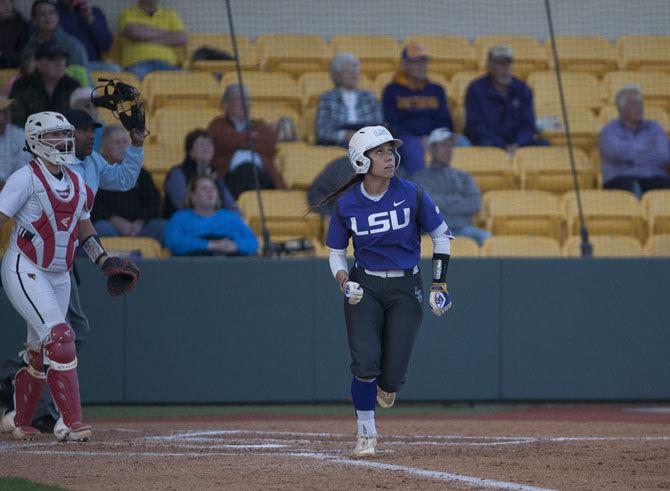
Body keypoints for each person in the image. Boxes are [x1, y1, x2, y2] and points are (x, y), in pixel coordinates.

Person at [0, 108, 146, 434]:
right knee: (61, 337)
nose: (64, 140)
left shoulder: (77, 179)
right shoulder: (24, 177)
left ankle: (21, 421)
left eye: (66, 134)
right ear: (37, 141)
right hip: (25, 265)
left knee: (40, 349)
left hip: (60, 272)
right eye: (56, 135)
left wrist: (103, 260)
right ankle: (70, 422)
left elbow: (84, 228)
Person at [318, 126, 453, 457]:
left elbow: (441, 235)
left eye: (390, 151)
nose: (388, 157)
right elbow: (335, 251)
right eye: (379, 152)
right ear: (361, 160)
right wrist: (342, 280)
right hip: (364, 286)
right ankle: (366, 432)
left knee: (391, 377)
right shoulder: (346, 204)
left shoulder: (412, 193)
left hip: (406, 285)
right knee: (364, 363)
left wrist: (439, 283)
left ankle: (388, 388)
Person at [382, 42, 459, 174]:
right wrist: (419, 137)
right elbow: (392, 123)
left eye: (424, 62)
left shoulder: (436, 89)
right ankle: (421, 187)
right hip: (407, 138)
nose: (422, 66)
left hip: (434, 135)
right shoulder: (391, 90)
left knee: (462, 142)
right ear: (404, 65)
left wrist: (432, 137)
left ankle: (453, 185)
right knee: (413, 145)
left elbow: (445, 120)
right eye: (416, 62)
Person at [411, 128, 490, 246]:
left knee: (487, 239)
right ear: (431, 148)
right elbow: (425, 204)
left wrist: (440, 203)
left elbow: (474, 204)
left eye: (451, 146)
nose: (448, 150)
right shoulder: (419, 178)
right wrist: (457, 199)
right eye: (443, 145)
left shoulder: (464, 177)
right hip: (433, 232)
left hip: (463, 230)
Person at [207, 84, 287, 199]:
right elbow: (222, 141)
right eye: (241, 99)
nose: (246, 103)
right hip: (229, 179)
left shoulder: (260, 125)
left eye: (248, 99)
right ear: (226, 105)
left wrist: (237, 140)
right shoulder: (217, 125)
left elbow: (268, 143)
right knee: (246, 170)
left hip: (263, 178)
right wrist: (249, 137)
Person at [465, 45, 548, 153]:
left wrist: (517, 143)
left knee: (544, 145)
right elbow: (476, 126)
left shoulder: (523, 89)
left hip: (517, 143)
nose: (506, 68)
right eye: (500, 63)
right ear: (490, 66)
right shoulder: (476, 89)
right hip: (490, 142)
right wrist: (502, 145)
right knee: (484, 144)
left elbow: (528, 124)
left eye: (508, 63)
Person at [91, 125, 166, 244]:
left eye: (125, 142)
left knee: (162, 226)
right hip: (110, 227)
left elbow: (153, 203)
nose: (122, 146)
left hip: (140, 228)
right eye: (116, 142)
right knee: (100, 227)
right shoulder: (96, 173)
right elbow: (93, 206)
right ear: (104, 148)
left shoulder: (143, 174)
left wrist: (140, 222)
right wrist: (113, 219)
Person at [599, 84, 670, 198]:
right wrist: (647, 150)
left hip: (654, 176)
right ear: (621, 109)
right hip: (621, 178)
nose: (640, 108)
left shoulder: (654, 127)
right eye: (634, 104)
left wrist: (631, 154)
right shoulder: (609, 130)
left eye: (641, 104)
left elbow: (664, 155)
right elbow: (616, 153)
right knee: (632, 191)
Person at [164, 175, 258, 257]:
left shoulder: (231, 217)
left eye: (213, 188)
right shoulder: (180, 218)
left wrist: (235, 245)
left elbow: (253, 242)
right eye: (204, 188)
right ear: (193, 196)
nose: (210, 191)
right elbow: (174, 242)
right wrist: (209, 245)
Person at [163, 128, 238, 219]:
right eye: (201, 144)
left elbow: (229, 204)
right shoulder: (177, 174)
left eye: (209, 144)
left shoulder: (215, 173)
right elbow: (182, 205)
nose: (207, 147)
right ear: (191, 152)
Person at [316, 53, 383, 147]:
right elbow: (322, 131)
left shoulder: (369, 97)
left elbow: (380, 125)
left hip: (368, 139)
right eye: (348, 71)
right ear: (337, 76)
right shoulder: (327, 98)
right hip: (341, 142)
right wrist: (343, 135)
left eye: (355, 70)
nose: (353, 74)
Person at [9, 40, 80, 127]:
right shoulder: (22, 86)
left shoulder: (73, 86)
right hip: (30, 137)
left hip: (66, 137)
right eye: (52, 59)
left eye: (62, 58)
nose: (59, 63)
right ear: (38, 64)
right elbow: (16, 120)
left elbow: (80, 119)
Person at [118, 0, 187, 81]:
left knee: (184, 82)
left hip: (167, 65)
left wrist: (145, 37)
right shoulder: (128, 13)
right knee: (133, 86)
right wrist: (169, 34)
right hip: (137, 65)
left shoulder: (170, 14)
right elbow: (133, 31)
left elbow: (181, 37)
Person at [22, 0, 89, 69]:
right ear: (34, 21)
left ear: (57, 17)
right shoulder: (30, 47)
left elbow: (81, 78)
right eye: (42, 14)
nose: (47, 17)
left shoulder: (73, 47)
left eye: (51, 13)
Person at [55, 0, 118, 72]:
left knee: (115, 69)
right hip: (68, 65)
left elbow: (106, 46)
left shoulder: (94, 12)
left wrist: (91, 21)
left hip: (92, 64)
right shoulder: (53, 13)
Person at [0, 95, 24, 190]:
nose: (7, 113)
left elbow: (23, 168)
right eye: (2, 111)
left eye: (8, 109)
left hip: (15, 191)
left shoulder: (20, 134)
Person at [0, 0, 28, 69]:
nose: (7, 6)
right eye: (2, 2)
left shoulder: (21, 25)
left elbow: (24, 53)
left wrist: (3, 55)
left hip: (10, 67)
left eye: (10, 2)